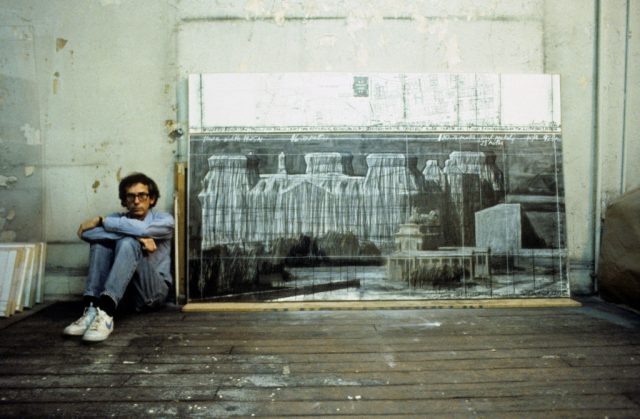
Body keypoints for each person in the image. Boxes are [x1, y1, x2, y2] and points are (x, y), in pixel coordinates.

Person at [63, 172, 174, 342]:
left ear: (151, 199)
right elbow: (89, 234)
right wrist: (139, 237)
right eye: (131, 196)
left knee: (127, 242)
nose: (136, 201)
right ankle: (92, 308)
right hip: (124, 296)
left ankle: (106, 313)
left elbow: (145, 229)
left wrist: (102, 221)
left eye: (142, 196)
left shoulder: (164, 220)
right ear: (124, 200)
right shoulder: (117, 218)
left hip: (153, 292)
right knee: (101, 243)